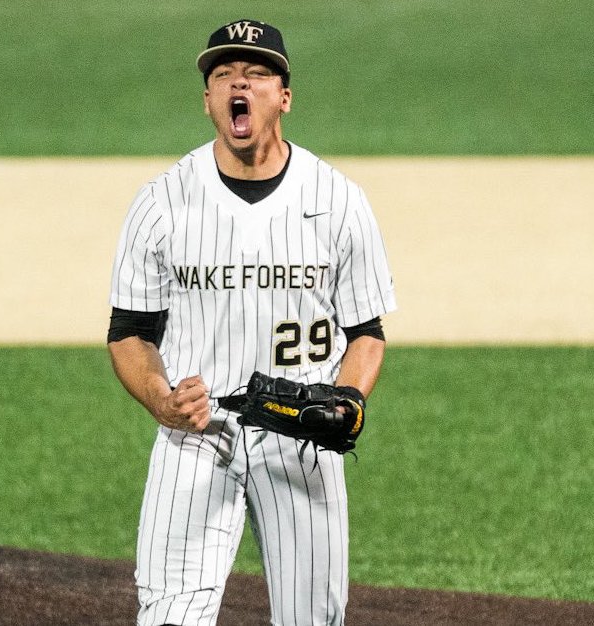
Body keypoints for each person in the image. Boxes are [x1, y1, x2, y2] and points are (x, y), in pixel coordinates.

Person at [107, 19, 397, 626]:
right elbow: (129, 330)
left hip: (300, 438)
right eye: (223, 75)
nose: (240, 83)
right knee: (167, 618)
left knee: (312, 619)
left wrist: (349, 399)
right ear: (209, 100)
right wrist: (161, 400)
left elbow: (366, 332)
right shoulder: (162, 202)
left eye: (257, 73)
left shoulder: (339, 200)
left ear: (283, 97)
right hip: (194, 438)